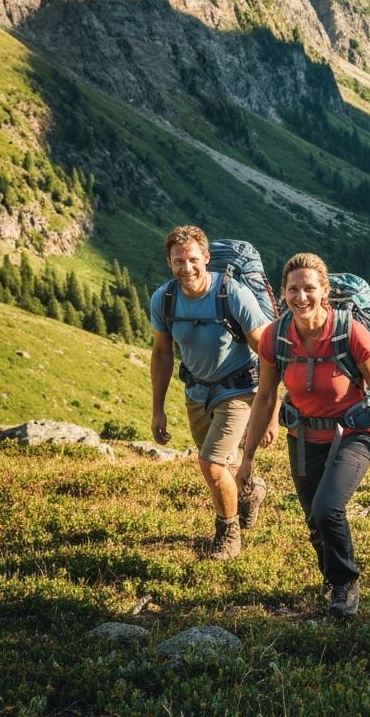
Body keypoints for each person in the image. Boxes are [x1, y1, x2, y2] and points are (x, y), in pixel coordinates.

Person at [236, 252, 370, 618]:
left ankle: (345, 583)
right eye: (293, 289)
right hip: (302, 436)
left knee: (328, 509)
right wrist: (246, 457)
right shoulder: (276, 337)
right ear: (283, 292)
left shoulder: (350, 332)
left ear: (324, 291)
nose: (301, 296)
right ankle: (331, 576)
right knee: (314, 518)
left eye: (309, 288)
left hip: (354, 433)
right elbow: (265, 396)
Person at [150, 225, 276, 561]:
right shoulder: (164, 299)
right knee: (225, 466)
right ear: (169, 262)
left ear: (206, 258)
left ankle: (228, 533)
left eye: (193, 259)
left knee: (211, 463)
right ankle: (251, 491)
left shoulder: (232, 294)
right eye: (179, 261)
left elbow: (268, 352)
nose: (187, 268)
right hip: (197, 393)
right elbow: (162, 354)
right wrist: (157, 409)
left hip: (239, 390)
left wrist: (273, 410)